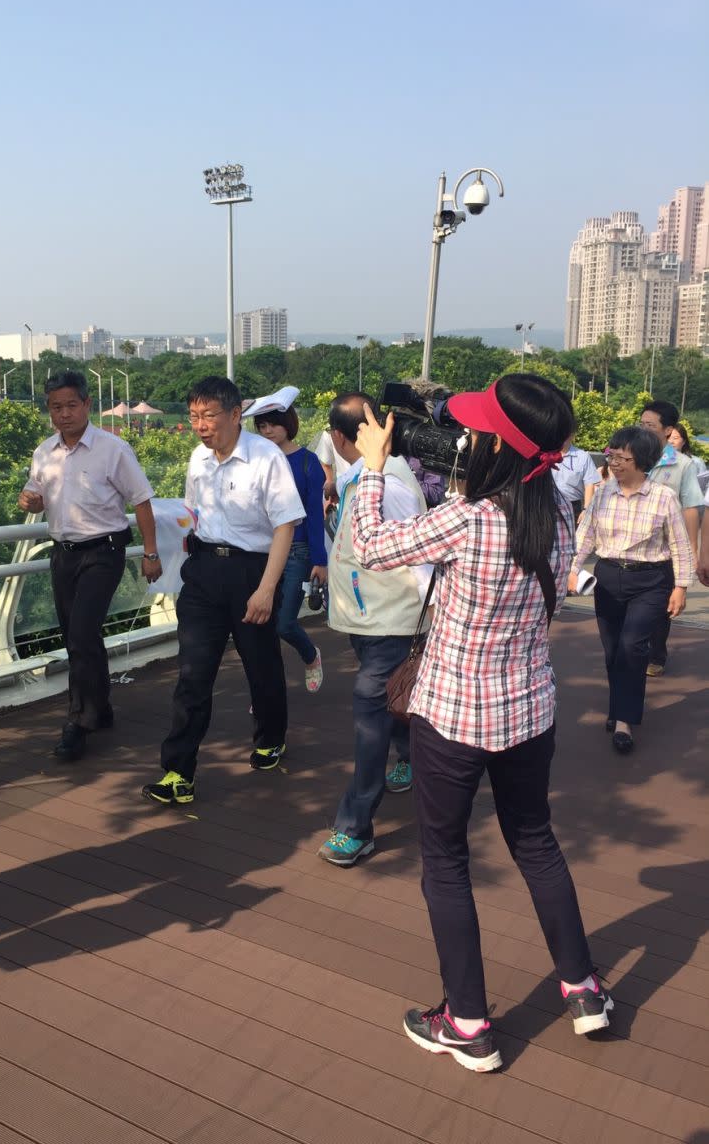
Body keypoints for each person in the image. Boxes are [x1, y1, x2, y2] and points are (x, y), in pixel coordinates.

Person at [351, 373, 610, 1074]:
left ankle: (467, 1022)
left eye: (474, 429)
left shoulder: (471, 520)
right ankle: (583, 989)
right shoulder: (555, 514)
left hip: (455, 717)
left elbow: (372, 548)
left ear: (495, 442)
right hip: (529, 710)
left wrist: (374, 470)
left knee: (445, 860)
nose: (463, 435)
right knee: (536, 842)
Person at [142, 376, 305, 806]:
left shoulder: (266, 457)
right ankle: (179, 771)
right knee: (192, 673)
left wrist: (267, 589)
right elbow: (191, 511)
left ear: (235, 414)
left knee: (261, 664)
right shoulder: (198, 458)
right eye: (194, 416)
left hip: (252, 571)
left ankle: (271, 737)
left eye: (209, 415)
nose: (200, 425)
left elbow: (286, 524)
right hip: (203, 573)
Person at [19, 371, 161, 761]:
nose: (63, 414)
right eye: (55, 407)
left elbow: (142, 501)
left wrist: (151, 553)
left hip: (104, 552)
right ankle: (101, 708)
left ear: (86, 405)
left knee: (81, 633)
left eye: (70, 405)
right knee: (77, 636)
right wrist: (30, 501)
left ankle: (78, 722)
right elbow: (36, 494)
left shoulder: (113, 449)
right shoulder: (44, 452)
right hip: (63, 553)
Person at [317, 392, 429, 866]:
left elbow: (421, 555)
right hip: (367, 615)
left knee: (369, 712)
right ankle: (408, 756)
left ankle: (355, 826)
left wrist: (427, 619)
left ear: (340, 437)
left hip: (390, 621)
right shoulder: (358, 476)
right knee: (387, 704)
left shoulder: (391, 485)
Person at [570, 426, 693, 755]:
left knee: (631, 646)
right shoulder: (605, 493)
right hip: (609, 577)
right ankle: (618, 706)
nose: (615, 463)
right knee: (612, 651)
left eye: (623, 457)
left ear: (643, 463)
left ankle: (625, 720)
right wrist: (572, 568)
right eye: (612, 455)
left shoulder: (663, 497)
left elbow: (680, 546)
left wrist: (681, 586)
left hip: (651, 580)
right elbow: (586, 535)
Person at [252, 402, 327, 693]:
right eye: (261, 426)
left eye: (273, 424)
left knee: (284, 623)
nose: (267, 430)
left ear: (288, 423)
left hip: (297, 552)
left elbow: (314, 515)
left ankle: (311, 656)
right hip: (263, 551)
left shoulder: (308, 462)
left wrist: (320, 561)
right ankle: (268, 688)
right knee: (262, 625)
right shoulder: (259, 463)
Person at [638, 401, 701, 676]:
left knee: (661, 608)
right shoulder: (631, 456)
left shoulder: (684, 465)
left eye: (650, 426)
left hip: (665, 551)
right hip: (631, 547)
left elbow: (691, 509)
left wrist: (693, 552)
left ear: (668, 430)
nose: (643, 430)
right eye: (641, 424)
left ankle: (656, 654)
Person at [552, 435, 601, 523]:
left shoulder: (583, 456)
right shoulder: (544, 454)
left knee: (574, 536)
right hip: (546, 505)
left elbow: (590, 484)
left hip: (573, 507)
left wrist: (586, 510)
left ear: (573, 434)